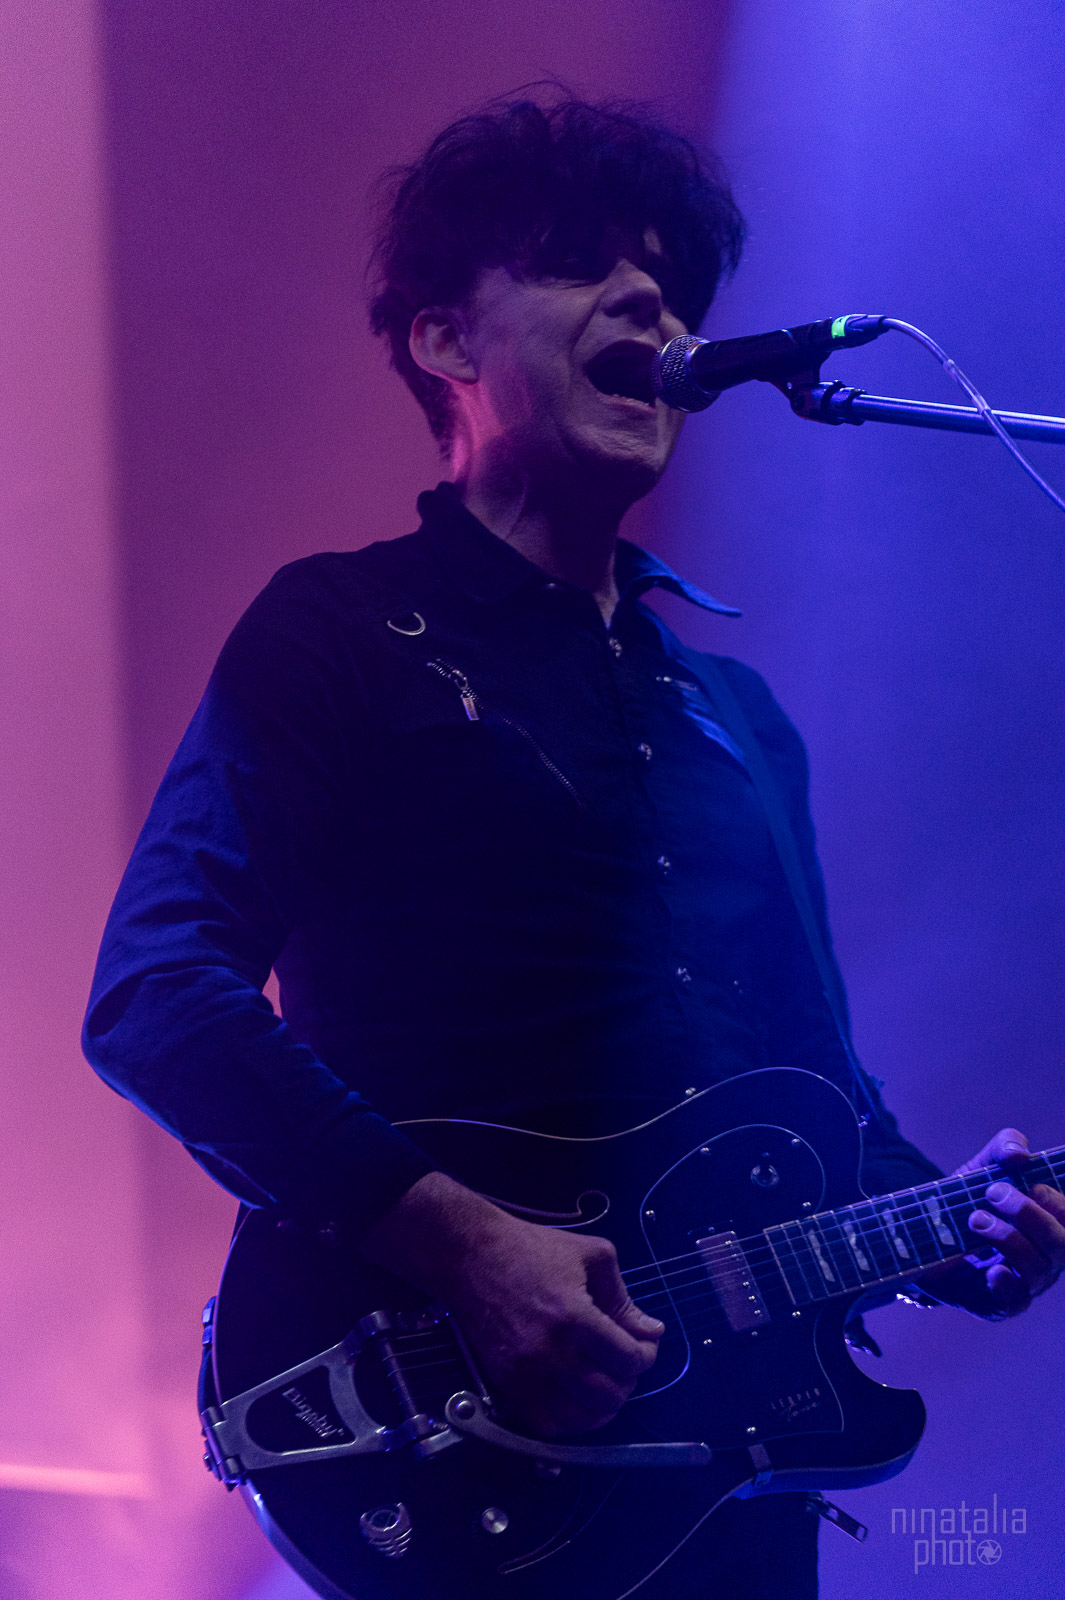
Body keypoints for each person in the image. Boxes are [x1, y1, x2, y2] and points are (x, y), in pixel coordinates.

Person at [83, 97, 1065, 1597]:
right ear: (443, 342)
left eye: (668, 277)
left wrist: (955, 1221)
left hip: (734, 1483)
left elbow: (814, 1101)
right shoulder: (339, 631)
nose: (647, 300)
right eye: (575, 263)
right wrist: (462, 1244)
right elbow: (156, 994)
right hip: (448, 1431)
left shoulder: (739, 720)